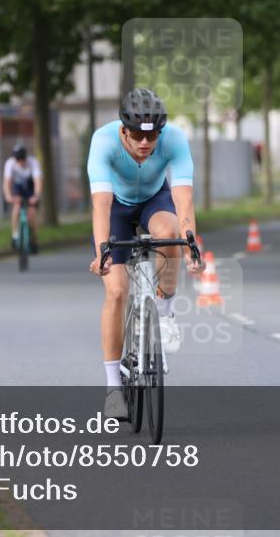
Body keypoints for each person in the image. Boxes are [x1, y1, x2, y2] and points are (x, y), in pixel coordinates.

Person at [87, 87, 202, 419]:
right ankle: (113, 389)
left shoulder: (175, 140)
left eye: (151, 137)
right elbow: (101, 205)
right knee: (117, 291)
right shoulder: (103, 141)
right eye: (136, 135)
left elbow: (183, 200)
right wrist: (102, 252)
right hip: (116, 209)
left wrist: (191, 241)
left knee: (168, 234)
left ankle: (164, 313)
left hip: (155, 200)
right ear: (123, 130)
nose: (144, 144)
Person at [3, 143, 42, 253]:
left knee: (32, 212)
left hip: (30, 187)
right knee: (16, 207)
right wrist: (8, 196)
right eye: (18, 159)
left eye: (22, 159)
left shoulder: (33, 162)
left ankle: (34, 240)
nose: (20, 161)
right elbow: (7, 182)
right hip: (18, 187)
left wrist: (36, 195)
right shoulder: (10, 164)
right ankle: (15, 235)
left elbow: (38, 180)